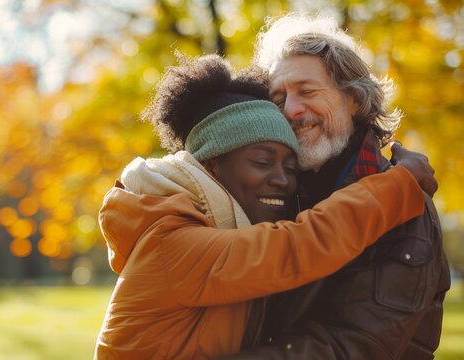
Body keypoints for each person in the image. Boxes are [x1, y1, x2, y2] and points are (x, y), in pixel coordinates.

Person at [94, 53, 434, 359]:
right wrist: (400, 183)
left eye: (290, 167)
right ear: (211, 165)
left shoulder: (216, 223)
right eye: (261, 161)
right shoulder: (173, 243)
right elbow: (297, 246)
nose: (284, 180)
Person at [225, 13, 450, 359]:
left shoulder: (404, 207)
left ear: (355, 100)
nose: (291, 110)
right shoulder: (282, 194)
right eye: (279, 97)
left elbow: (354, 348)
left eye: (307, 91)